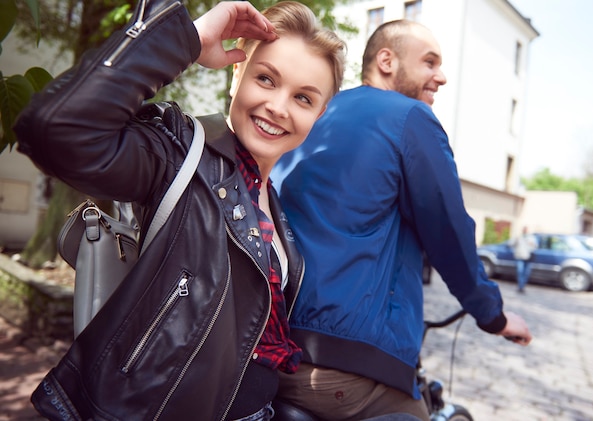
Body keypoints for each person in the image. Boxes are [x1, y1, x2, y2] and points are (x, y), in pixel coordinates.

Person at [13, 1, 345, 420]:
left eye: (303, 97)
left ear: (318, 114)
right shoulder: (181, 157)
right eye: (266, 79)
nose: (279, 107)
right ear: (236, 75)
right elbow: (58, 129)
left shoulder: (272, 203)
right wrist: (186, 39)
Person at [270, 19, 533, 421]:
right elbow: (449, 231)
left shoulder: (316, 111)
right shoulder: (410, 118)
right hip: (349, 365)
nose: (441, 76)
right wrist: (492, 315)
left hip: (275, 347)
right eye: (429, 62)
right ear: (387, 60)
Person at [512, 226, 538, 293]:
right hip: (520, 257)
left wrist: (532, 244)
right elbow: (512, 244)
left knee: (526, 273)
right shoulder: (519, 237)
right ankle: (520, 287)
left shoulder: (531, 238)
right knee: (520, 272)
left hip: (528, 258)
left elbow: (535, 247)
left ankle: (522, 286)